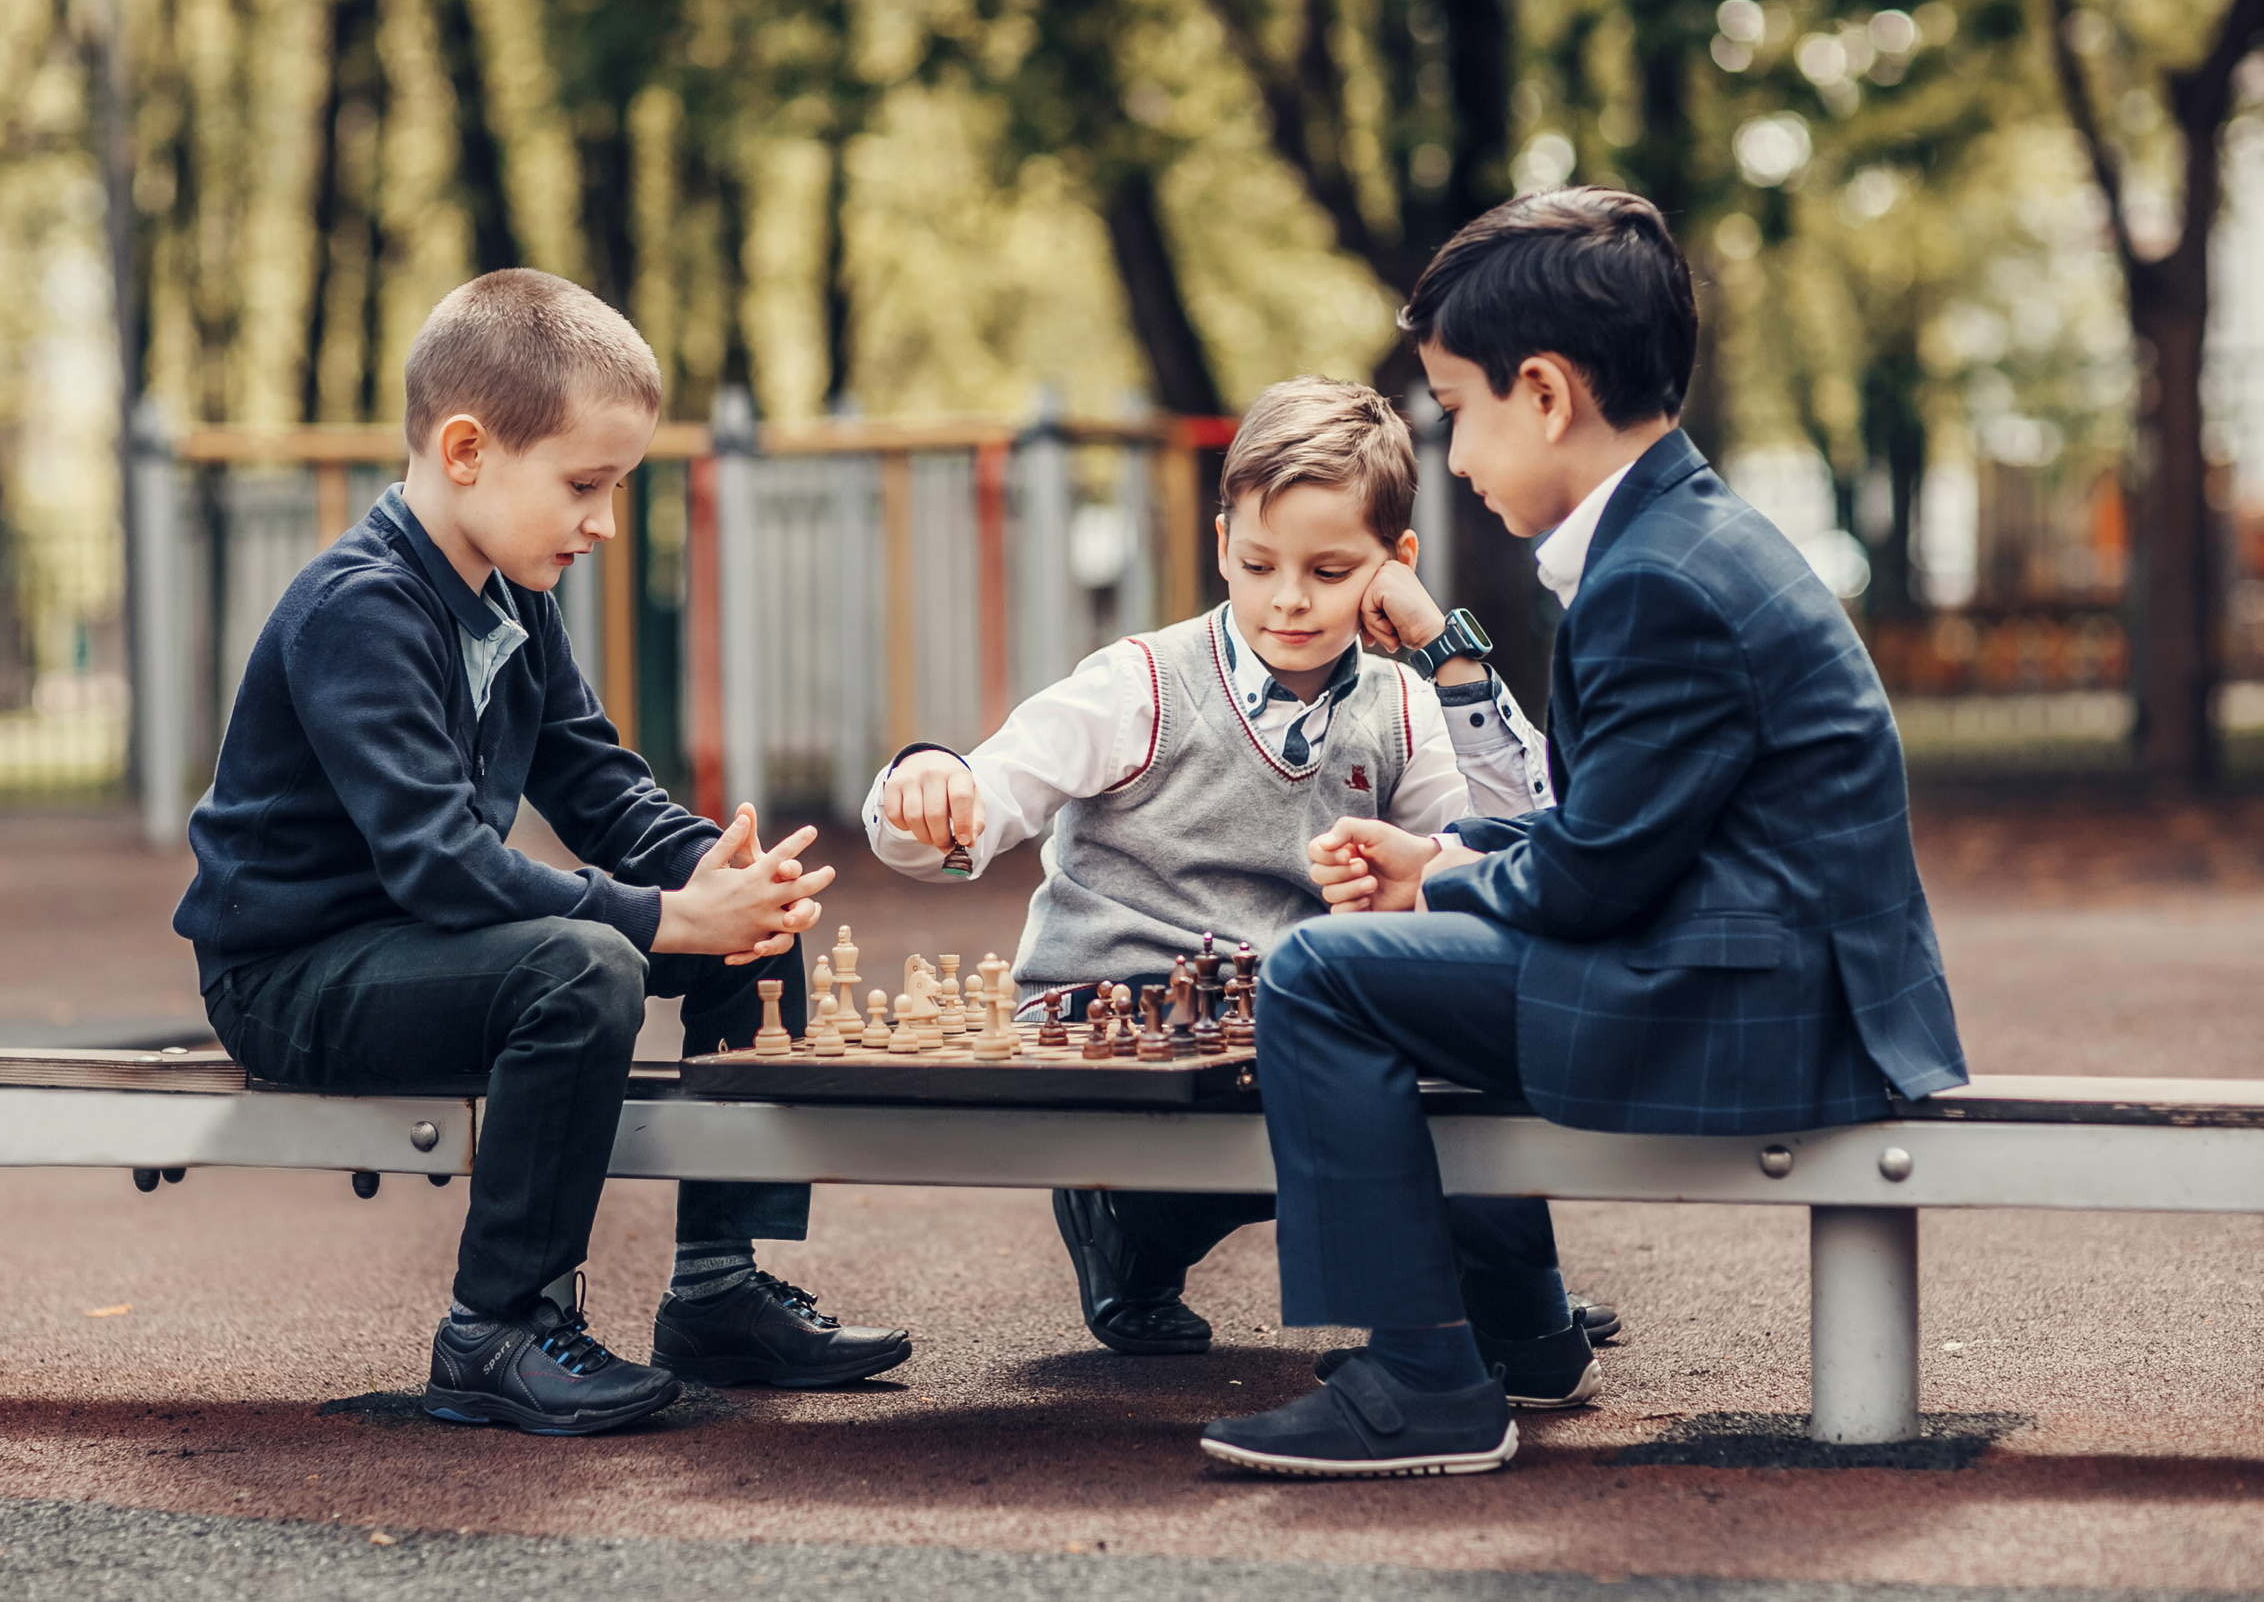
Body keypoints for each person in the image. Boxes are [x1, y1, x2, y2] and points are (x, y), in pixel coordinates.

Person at [1196, 188, 1967, 1479]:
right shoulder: (1678, 538)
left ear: (1544, 392)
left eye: (1458, 410)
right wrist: (1439, 863)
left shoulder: (1658, 577)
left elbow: (1599, 872)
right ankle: (1510, 1324)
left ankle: (1426, 1378)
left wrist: (1442, 881)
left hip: (1754, 1001)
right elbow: (1617, 831)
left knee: (1322, 977)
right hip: (1761, 965)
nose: (1454, 455)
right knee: (1391, 968)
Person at [176, 269, 911, 1438]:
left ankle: (717, 1290)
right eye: (585, 486)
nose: (603, 524)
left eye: (613, 489)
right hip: (294, 977)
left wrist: (715, 878)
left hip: (420, 945)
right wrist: (668, 919)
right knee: (586, 965)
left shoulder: (512, 598)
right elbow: (441, 863)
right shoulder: (356, 610)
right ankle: (495, 1330)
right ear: (466, 450)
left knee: (748, 922)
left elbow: (595, 779)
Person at [867, 376, 1613, 1404]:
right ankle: (1126, 1228)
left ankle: (1518, 1307)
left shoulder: (1400, 703)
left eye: (1331, 569)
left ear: (1393, 567)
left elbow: (1515, 831)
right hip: (1117, 1016)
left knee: (1444, 1019)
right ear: (1222, 545)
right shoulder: (1138, 681)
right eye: (1259, 564)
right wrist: (925, 789)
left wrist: (1445, 652)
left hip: (1290, 1014)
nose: (1289, 598)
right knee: (1355, 1072)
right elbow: (978, 809)